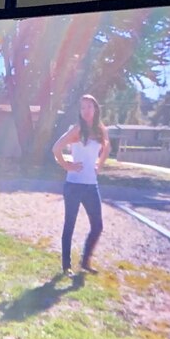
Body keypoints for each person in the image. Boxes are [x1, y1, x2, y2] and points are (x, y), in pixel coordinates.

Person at [51, 94, 109, 276]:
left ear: (96, 108)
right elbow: (56, 148)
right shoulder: (77, 129)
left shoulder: (101, 130)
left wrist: (99, 165)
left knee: (97, 226)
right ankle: (66, 266)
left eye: (89, 106)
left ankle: (85, 262)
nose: (86, 111)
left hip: (91, 186)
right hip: (74, 185)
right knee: (70, 225)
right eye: (83, 107)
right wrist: (66, 165)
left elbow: (106, 148)